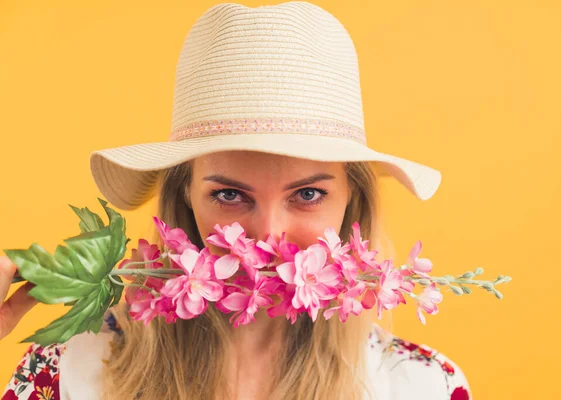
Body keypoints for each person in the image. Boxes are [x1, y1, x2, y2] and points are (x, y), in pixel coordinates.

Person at [1, 2, 472, 399]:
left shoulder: (423, 386)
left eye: (308, 194)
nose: (268, 234)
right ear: (184, 196)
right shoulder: (66, 372)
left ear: (352, 203)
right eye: (229, 194)